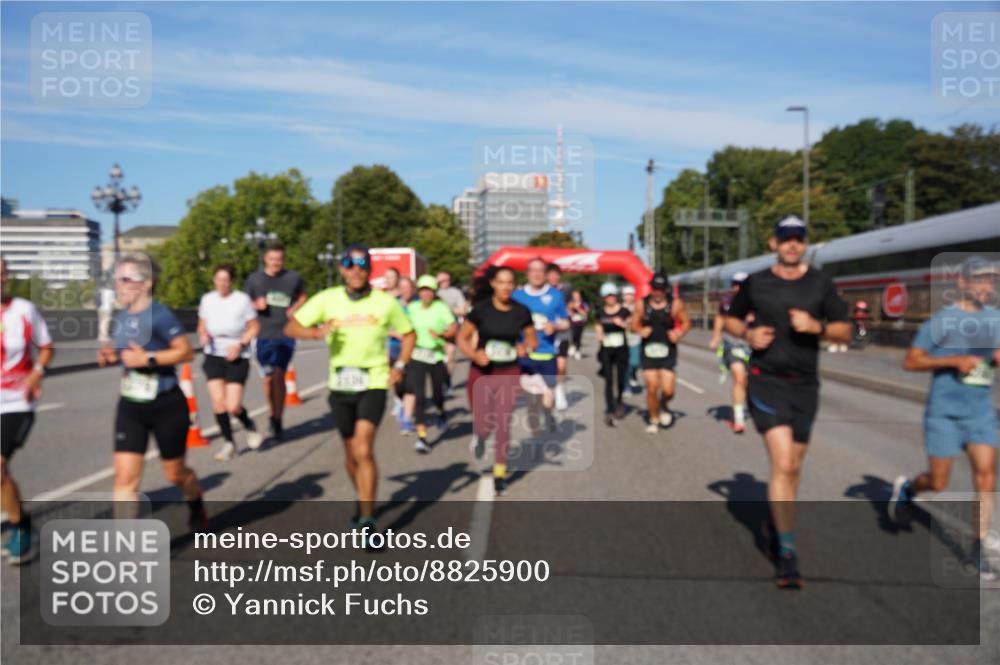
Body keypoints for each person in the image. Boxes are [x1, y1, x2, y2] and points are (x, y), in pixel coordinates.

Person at [723, 215, 851, 589]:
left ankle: (777, 523)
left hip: (806, 385)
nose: (792, 244)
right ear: (773, 243)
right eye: (786, 238)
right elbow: (729, 320)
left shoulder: (820, 283)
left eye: (798, 239)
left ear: (805, 243)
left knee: (793, 466)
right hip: (766, 382)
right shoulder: (757, 282)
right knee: (782, 462)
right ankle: (788, 552)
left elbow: (845, 328)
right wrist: (748, 333)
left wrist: (819, 328)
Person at [285, 244, 414, 542]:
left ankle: (368, 521)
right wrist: (316, 332)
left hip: (374, 382)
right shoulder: (327, 299)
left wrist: (402, 364)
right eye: (349, 264)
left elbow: (408, 333)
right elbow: (291, 328)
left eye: (361, 264)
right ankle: (362, 501)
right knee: (350, 453)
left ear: (369, 269)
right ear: (342, 268)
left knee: (363, 448)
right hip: (340, 385)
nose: (356, 270)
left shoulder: (385, 303)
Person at [889, 256, 1000, 580]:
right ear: (962, 284)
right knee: (939, 482)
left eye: (991, 281)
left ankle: (976, 551)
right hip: (944, 413)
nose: (987, 287)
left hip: (980, 412)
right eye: (980, 280)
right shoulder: (941, 322)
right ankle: (909, 489)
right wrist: (952, 360)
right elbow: (910, 361)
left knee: (986, 476)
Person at [97, 255, 207, 531]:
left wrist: (149, 359)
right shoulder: (122, 316)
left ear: (146, 283)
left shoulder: (160, 314)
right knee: (125, 479)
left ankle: (195, 500)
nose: (119, 285)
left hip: (167, 405)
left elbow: (185, 352)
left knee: (175, 474)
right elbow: (128, 353)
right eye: (117, 279)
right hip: (132, 406)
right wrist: (113, 355)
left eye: (125, 279)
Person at [457, 266, 537, 496]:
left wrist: (526, 347)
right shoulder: (480, 310)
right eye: (501, 282)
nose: (505, 287)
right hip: (481, 373)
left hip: (509, 372)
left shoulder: (521, 311)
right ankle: (480, 437)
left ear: (514, 285)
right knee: (484, 424)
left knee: (503, 422)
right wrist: (474, 355)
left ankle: (500, 473)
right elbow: (462, 338)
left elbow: (533, 340)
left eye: (510, 282)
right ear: (493, 283)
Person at [1, 257, 54, 564]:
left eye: (1, 274)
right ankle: (18, 522)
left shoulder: (24, 310)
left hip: (17, 402)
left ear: (6, 277)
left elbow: (46, 347)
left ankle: (22, 530)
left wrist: (36, 373)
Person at [198, 264, 263, 461]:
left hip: (236, 354)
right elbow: (202, 324)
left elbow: (254, 327)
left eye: (226, 280)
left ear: (231, 282)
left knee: (233, 406)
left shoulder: (242, 300)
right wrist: (202, 334)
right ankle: (229, 444)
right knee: (218, 403)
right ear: (214, 280)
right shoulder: (207, 299)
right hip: (213, 354)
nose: (222, 284)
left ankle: (249, 425)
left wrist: (241, 343)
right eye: (218, 279)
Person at [244, 242, 305, 442]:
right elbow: (242, 304)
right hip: (262, 336)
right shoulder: (255, 279)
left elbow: (303, 296)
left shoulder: (292, 278)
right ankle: (272, 413)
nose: (276, 263)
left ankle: (277, 419)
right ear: (265, 259)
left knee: (279, 375)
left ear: (283, 259)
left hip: (285, 334)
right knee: (268, 379)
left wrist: (295, 307)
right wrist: (255, 304)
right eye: (272, 259)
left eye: (279, 259)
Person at [513, 258, 569, 434]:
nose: (536, 274)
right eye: (533, 270)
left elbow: (566, 322)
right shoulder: (517, 296)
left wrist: (556, 326)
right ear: (527, 273)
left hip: (547, 353)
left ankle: (548, 413)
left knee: (547, 396)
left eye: (540, 271)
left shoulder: (555, 295)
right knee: (533, 398)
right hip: (526, 355)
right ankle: (536, 436)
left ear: (545, 274)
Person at [632, 273, 691, 434]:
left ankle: (664, 404)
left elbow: (686, 322)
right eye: (655, 289)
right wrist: (640, 330)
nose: (657, 292)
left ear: (666, 290)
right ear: (651, 288)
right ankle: (653, 419)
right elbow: (633, 324)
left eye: (661, 289)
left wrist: (679, 333)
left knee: (668, 390)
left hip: (668, 351)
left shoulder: (675, 304)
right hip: (648, 351)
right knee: (652, 387)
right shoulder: (641, 304)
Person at [404, 275, 458, 453]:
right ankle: (421, 437)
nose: (426, 293)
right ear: (418, 292)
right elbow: (403, 328)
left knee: (437, 394)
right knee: (418, 396)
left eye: (429, 290)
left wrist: (442, 334)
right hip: (417, 355)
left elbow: (453, 328)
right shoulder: (411, 308)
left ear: (434, 292)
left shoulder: (441, 308)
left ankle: (441, 411)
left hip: (435, 356)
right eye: (423, 290)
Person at [709, 271, 751, 433]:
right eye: (735, 284)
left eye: (741, 285)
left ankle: (742, 406)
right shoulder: (727, 301)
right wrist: (716, 336)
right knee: (739, 378)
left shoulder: (758, 300)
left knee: (750, 382)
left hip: (753, 346)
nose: (737, 288)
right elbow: (720, 318)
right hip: (733, 344)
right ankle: (739, 418)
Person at [595, 282, 630, 427]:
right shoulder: (600, 312)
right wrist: (599, 334)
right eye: (608, 296)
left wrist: (623, 324)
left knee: (621, 378)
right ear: (604, 298)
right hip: (606, 349)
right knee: (609, 379)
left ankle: (620, 400)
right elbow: (598, 324)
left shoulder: (624, 311)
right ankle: (610, 408)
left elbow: (633, 324)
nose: (611, 298)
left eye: (613, 295)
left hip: (621, 349)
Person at [546, 263, 575, 411]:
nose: (553, 277)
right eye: (550, 274)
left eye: (556, 274)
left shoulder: (566, 289)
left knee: (561, 365)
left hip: (563, 330)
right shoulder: (541, 291)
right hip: (545, 331)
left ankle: (560, 390)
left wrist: (569, 311)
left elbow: (571, 304)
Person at [436, 271, 467, 392]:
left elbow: (462, 310)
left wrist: (450, 309)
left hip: (450, 329)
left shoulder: (456, 293)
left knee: (450, 357)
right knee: (437, 359)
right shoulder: (433, 293)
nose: (444, 283)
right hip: (434, 330)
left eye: (446, 280)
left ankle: (448, 381)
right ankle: (439, 380)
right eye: (441, 281)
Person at [621, 285, 643, 392]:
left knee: (635, 362)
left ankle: (633, 374)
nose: (628, 297)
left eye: (630, 294)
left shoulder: (637, 307)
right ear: (623, 296)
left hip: (635, 338)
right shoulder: (619, 308)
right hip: (623, 339)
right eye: (626, 294)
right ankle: (626, 386)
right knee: (625, 364)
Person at [567, 290, 589, 360]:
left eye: (577, 295)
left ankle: (577, 351)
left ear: (580, 296)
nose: (576, 297)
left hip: (580, 323)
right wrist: (570, 311)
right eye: (574, 296)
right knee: (573, 335)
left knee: (578, 337)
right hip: (572, 323)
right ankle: (572, 345)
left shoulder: (584, 304)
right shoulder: (570, 304)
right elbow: (567, 312)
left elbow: (585, 313)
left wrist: (577, 307)